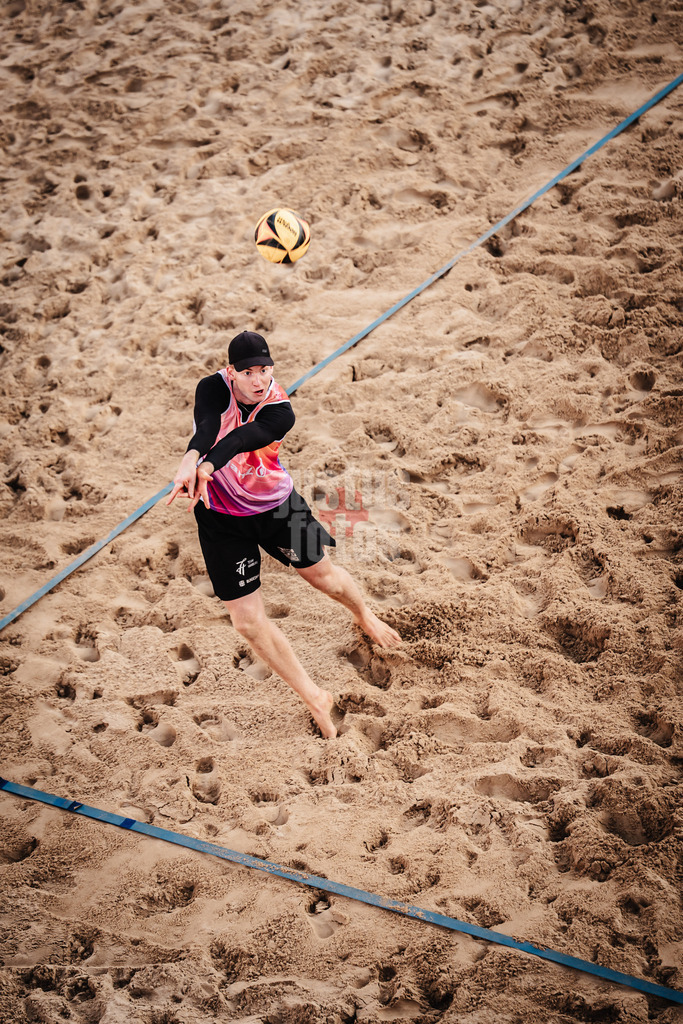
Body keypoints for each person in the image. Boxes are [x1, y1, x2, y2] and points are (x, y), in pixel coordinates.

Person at [168, 330, 401, 739]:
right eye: (248, 372)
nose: (258, 380)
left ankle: (363, 614)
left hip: (276, 507)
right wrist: (190, 459)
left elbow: (241, 439)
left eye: (265, 370)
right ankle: (315, 697)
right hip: (220, 518)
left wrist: (204, 468)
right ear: (231, 372)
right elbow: (207, 427)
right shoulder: (211, 387)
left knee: (323, 578)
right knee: (246, 623)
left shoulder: (279, 410)